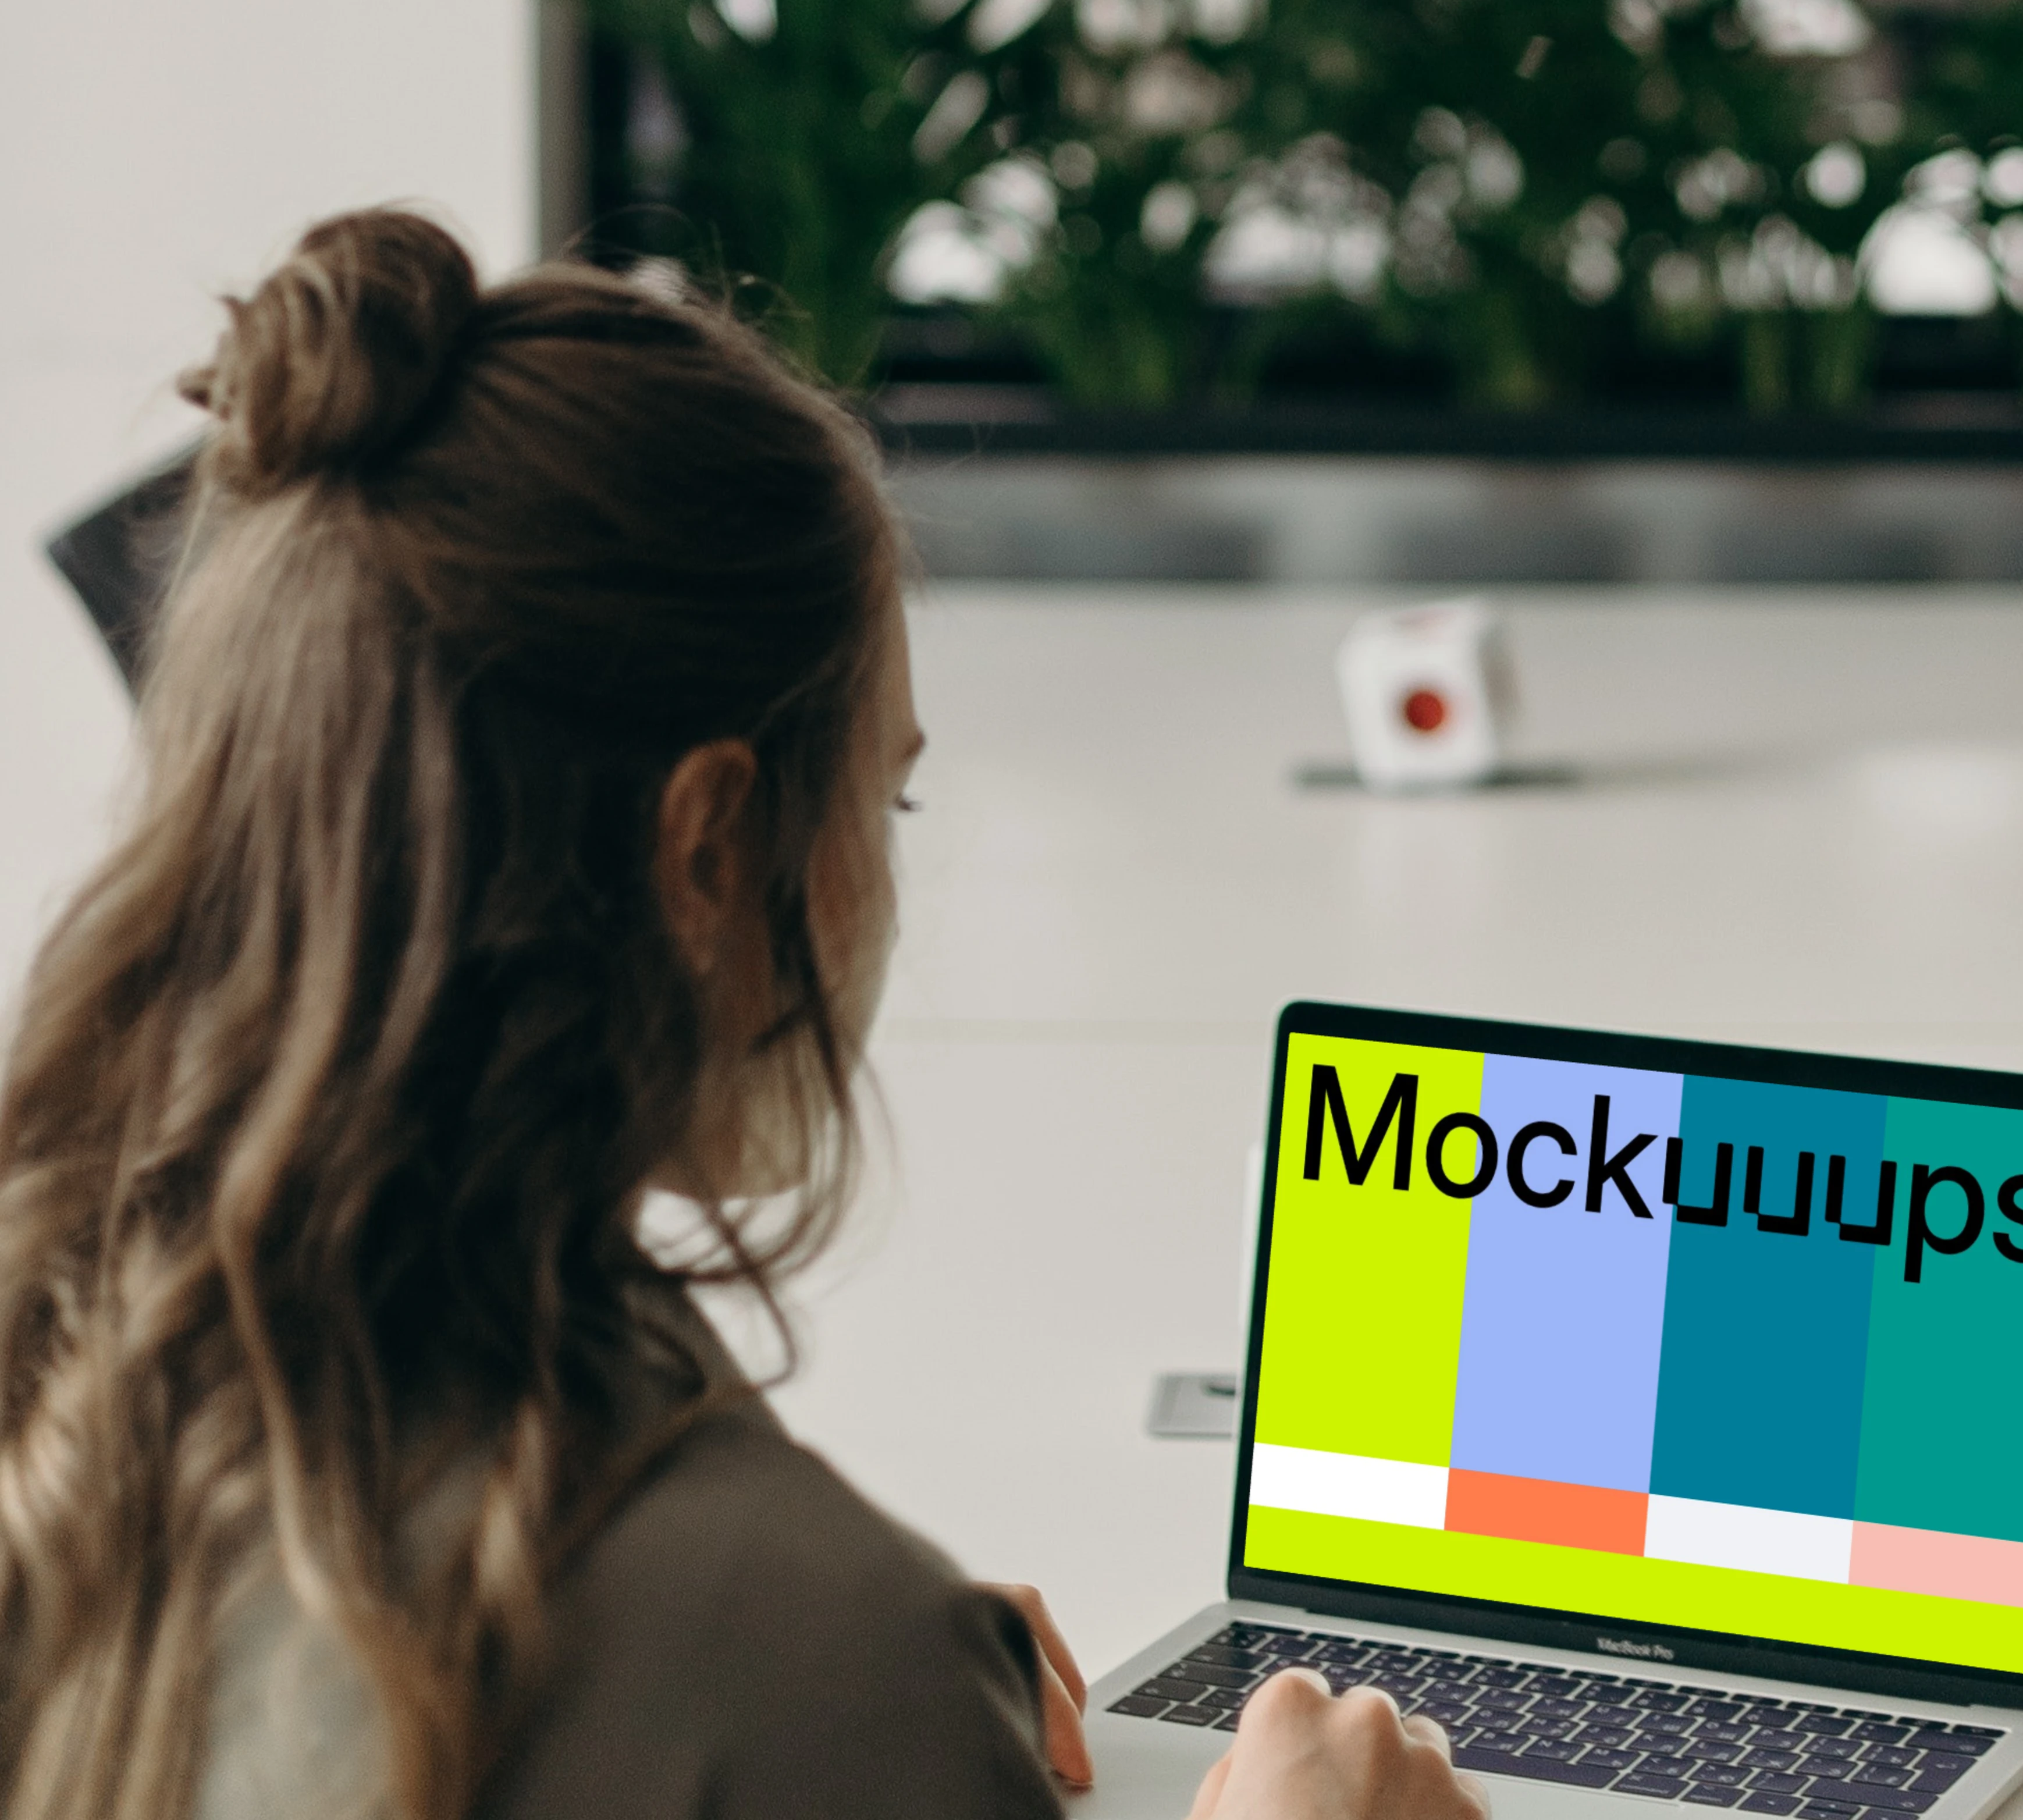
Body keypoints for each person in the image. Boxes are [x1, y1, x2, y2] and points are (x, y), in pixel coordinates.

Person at [0, 209, 1490, 1820]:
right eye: (884, 800)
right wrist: (844, 1687)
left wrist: (838, 1677)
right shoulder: (819, 1666)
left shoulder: (68, 1368)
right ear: (710, 849)